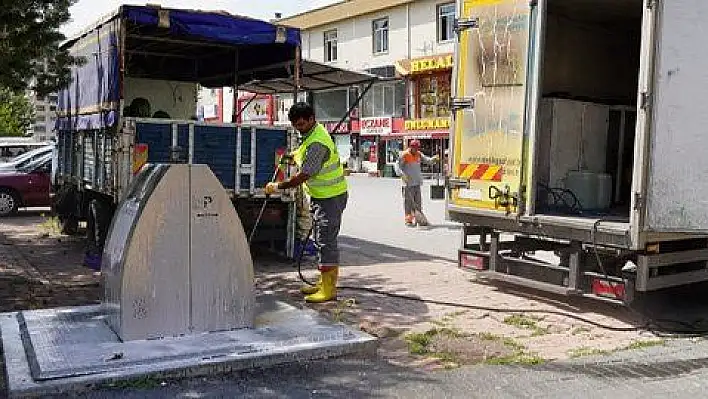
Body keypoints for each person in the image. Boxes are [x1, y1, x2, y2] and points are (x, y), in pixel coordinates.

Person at [265, 102, 348, 303]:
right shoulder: (311, 134)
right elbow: (305, 155)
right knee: (322, 240)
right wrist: (293, 156)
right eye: (296, 125)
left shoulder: (317, 142)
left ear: (312, 119)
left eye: (302, 123)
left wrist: (278, 186)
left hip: (330, 198)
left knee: (325, 241)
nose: (299, 127)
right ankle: (323, 282)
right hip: (322, 197)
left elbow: (305, 175)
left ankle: (329, 289)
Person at [397, 139, 438, 226]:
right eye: (415, 148)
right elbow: (397, 166)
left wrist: (433, 159)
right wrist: (402, 174)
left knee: (418, 202)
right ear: (411, 147)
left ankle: (419, 219)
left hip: (417, 182)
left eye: (417, 148)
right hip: (408, 183)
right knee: (408, 203)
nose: (416, 149)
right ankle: (408, 220)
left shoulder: (419, 154)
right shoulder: (404, 155)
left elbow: (427, 160)